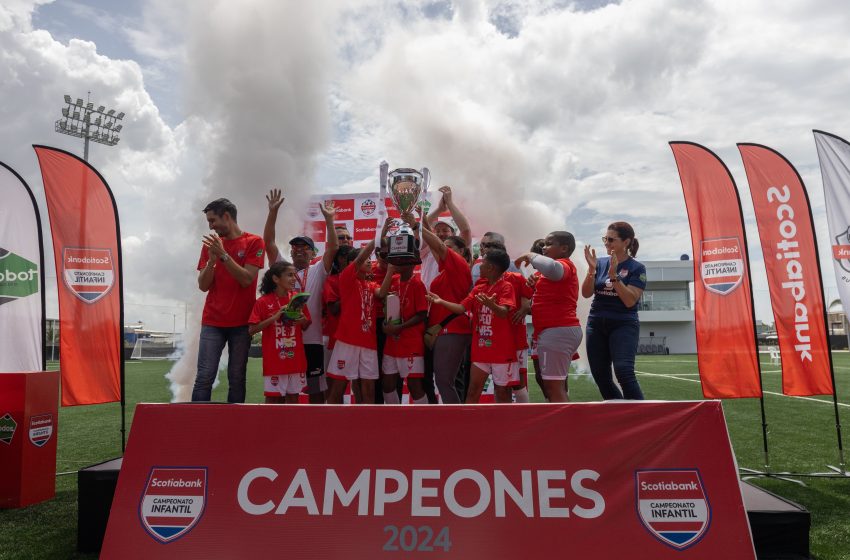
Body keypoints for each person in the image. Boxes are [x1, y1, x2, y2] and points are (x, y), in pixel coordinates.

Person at [264, 189, 339, 403]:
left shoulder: (317, 270)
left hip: (312, 339)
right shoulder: (283, 269)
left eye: (304, 247)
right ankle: (290, 431)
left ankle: (317, 431)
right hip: (286, 340)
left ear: (312, 253)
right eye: (295, 246)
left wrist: (329, 220)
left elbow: (333, 248)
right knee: (288, 393)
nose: (298, 250)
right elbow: (268, 243)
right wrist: (272, 213)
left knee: (316, 392)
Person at [193, 198, 265, 403]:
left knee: (237, 377)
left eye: (213, 220)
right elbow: (203, 285)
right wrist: (212, 262)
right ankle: (197, 425)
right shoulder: (210, 247)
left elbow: (247, 279)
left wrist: (223, 255)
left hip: (242, 323)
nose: (211, 226)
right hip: (212, 322)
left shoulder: (254, 242)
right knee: (204, 377)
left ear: (226, 216)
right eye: (208, 222)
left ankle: (236, 427)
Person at [427, 249, 518, 403]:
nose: (479, 267)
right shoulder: (479, 288)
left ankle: (505, 425)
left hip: (501, 351)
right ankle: (469, 425)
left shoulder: (506, 287)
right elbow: (461, 308)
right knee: (473, 392)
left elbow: (503, 313)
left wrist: (492, 305)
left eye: (482, 264)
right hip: (481, 350)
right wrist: (441, 301)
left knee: (502, 393)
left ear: (491, 268)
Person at [514, 231, 582, 402]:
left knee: (554, 387)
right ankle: (561, 424)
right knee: (551, 386)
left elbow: (554, 269)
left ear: (564, 249)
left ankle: (564, 426)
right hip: (553, 331)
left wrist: (530, 254)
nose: (543, 248)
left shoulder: (565, 264)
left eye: (548, 244)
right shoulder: (543, 276)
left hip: (557, 330)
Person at [582, 221, 646, 400]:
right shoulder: (599, 263)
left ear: (626, 242)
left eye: (611, 240)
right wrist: (592, 270)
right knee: (601, 376)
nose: (606, 243)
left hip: (623, 324)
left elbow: (629, 301)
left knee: (623, 371)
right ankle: (621, 414)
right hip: (596, 323)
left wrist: (614, 276)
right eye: (605, 239)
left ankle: (642, 417)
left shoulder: (637, 268)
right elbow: (586, 294)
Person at [420, 214, 473, 403]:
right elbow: (436, 247)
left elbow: (440, 246)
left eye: (451, 248)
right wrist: (421, 222)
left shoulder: (459, 266)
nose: (445, 249)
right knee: (443, 379)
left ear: (462, 251)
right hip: (443, 330)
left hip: (452, 330)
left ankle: (457, 422)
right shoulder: (446, 270)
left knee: (444, 381)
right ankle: (454, 419)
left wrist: (416, 224)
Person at [326, 240, 383, 404]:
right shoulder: (346, 278)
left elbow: (382, 292)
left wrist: (391, 269)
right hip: (347, 342)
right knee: (338, 388)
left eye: (369, 259)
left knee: (368, 391)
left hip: (368, 343)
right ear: (352, 264)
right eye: (364, 259)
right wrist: (377, 238)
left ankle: (367, 426)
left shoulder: (371, 285)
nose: (368, 261)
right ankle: (332, 426)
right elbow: (360, 259)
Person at [249, 261, 311, 404]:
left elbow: (306, 325)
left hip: (296, 360)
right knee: (272, 401)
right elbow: (251, 330)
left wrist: (303, 320)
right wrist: (275, 317)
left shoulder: (298, 298)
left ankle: (291, 427)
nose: (293, 278)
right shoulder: (263, 302)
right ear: (276, 279)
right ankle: (269, 427)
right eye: (289, 275)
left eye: (294, 275)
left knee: (293, 401)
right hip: (275, 362)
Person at [381, 263, 429, 404]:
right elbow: (387, 307)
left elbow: (422, 314)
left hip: (410, 343)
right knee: (387, 385)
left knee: (414, 386)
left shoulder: (417, 284)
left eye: (402, 260)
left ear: (412, 264)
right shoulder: (393, 280)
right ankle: (395, 420)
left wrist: (401, 327)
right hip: (392, 342)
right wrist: (384, 325)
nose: (398, 262)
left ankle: (425, 422)